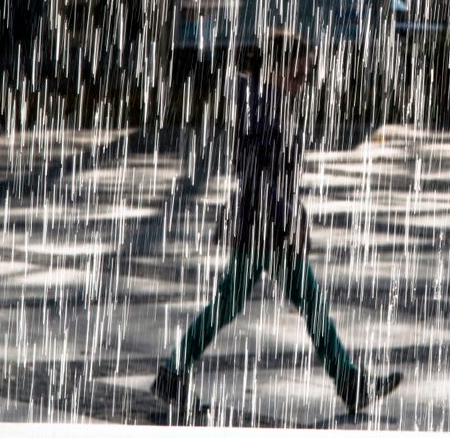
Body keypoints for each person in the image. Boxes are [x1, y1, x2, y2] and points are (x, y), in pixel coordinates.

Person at [152, 31, 403, 419]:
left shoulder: (266, 102)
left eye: (307, 76)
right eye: (299, 75)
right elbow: (255, 171)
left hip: (265, 222)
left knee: (236, 303)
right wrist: (282, 220)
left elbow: (265, 170)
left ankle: (174, 371)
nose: (304, 83)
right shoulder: (263, 107)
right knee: (294, 304)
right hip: (267, 226)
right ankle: (350, 384)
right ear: (277, 67)